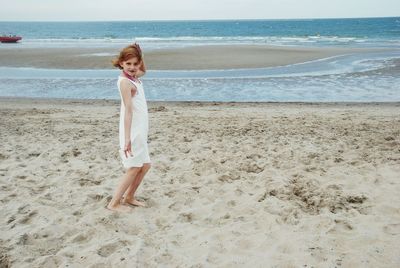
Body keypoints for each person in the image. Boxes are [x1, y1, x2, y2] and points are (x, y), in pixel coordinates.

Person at [107, 43, 151, 212]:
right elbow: (128, 111)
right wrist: (127, 139)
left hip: (141, 128)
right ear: (121, 64)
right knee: (134, 167)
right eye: (128, 64)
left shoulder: (135, 76)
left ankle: (130, 196)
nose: (132, 67)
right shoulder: (125, 83)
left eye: (135, 63)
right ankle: (114, 203)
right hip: (133, 130)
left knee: (145, 165)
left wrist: (140, 54)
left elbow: (143, 71)